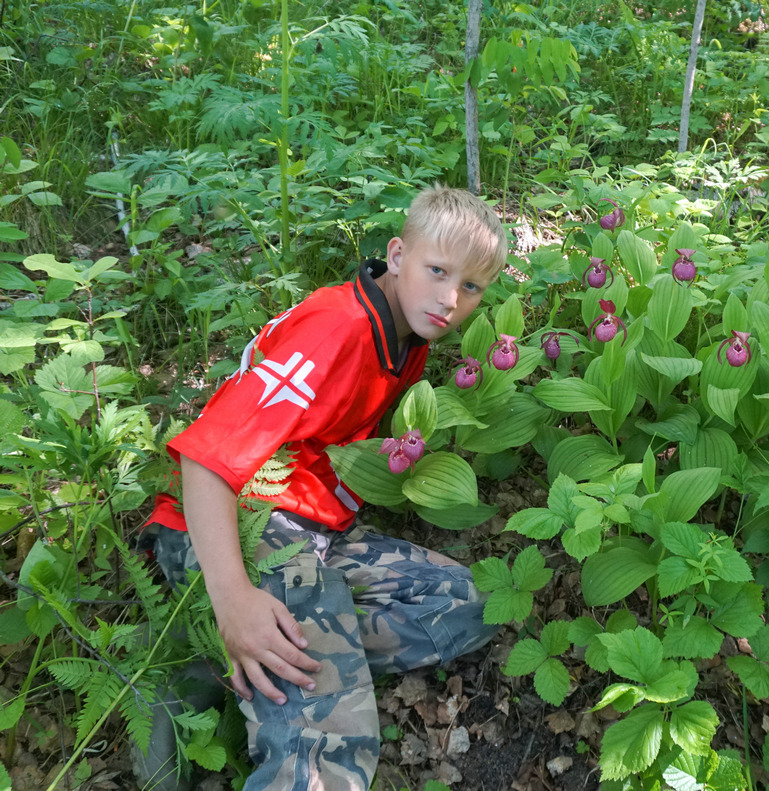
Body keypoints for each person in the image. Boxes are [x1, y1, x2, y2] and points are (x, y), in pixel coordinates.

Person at [138, 185, 507, 791]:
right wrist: (232, 598)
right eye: (437, 271)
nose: (450, 300)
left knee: (467, 604)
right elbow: (207, 462)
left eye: (470, 287)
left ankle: (221, 653)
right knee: (323, 763)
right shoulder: (337, 329)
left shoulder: (406, 331)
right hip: (240, 521)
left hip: (318, 528)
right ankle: (255, 649)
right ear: (397, 255)